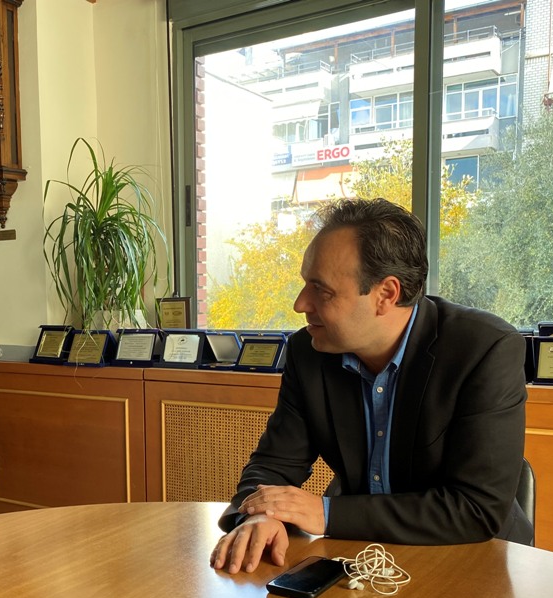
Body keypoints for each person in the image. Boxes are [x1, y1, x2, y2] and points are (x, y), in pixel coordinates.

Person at [211, 198, 532, 574]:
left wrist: (326, 513)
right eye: (304, 283)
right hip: (361, 557)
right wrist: (259, 516)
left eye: (321, 290)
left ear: (386, 295)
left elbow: (475, 509)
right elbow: (274, 463)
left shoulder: (485, 349)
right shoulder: (308, 352)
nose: (300, 304)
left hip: (475, 559)